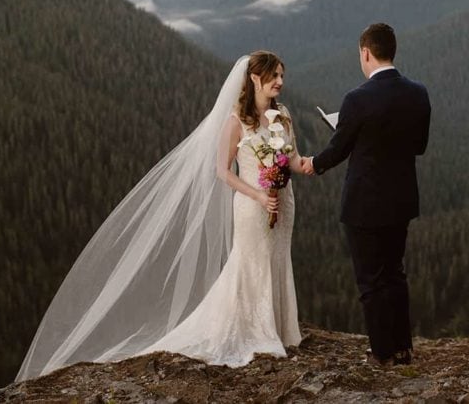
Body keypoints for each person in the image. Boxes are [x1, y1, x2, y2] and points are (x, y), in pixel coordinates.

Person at [16, 51, 308, 380]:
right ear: (255, 79)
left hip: (283, 202)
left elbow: (293, 159)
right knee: (251, 262)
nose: (281, 83)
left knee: (278, 258)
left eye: (283, 76)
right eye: (274, 77)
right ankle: (255, 328)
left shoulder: (283, 115)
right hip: (252, 204)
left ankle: (283, 328)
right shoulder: (235, 121)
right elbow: (223, 172)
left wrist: (311, 164)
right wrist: (257, 194)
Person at [302, 23, 431, 367]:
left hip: (365, 203)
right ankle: (403, 348)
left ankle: (381, 352)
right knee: (394, 273)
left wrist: (313, 164)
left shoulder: (357, 100)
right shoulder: (419, 94)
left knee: (371, 279)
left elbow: (338, 148)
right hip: (402, 199)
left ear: (365, 53)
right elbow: (419, 146)